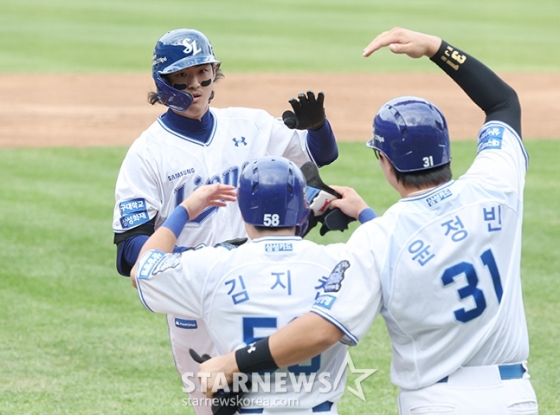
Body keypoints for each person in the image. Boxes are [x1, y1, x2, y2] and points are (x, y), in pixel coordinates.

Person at [197, 27, 538, 415]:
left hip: (437, 403)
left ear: (386, 163)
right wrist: (435, 48)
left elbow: (323, 328)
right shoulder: (496, 185)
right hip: (514, 397)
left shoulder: (379, 239)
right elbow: (503, 102)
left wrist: (233, 362)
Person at [111, 28, 339, 414]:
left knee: (276, 397)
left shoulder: (250, 126)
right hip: (193, 296)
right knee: (214, 407)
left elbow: (321, 157)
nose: (196, 85)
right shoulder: (147, 154)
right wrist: (203, 257)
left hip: (255, 289)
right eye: (183, 77)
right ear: (163, 82)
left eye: (203, 73)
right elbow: (130, 250)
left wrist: (318, 126)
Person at [130, 156, 376, 414]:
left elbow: (141, 269)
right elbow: (391, 259)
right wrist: (363, 211)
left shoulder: (213, 267)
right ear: (303, 209)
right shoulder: (338, 263)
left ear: (244, 210)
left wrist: (186, 209)